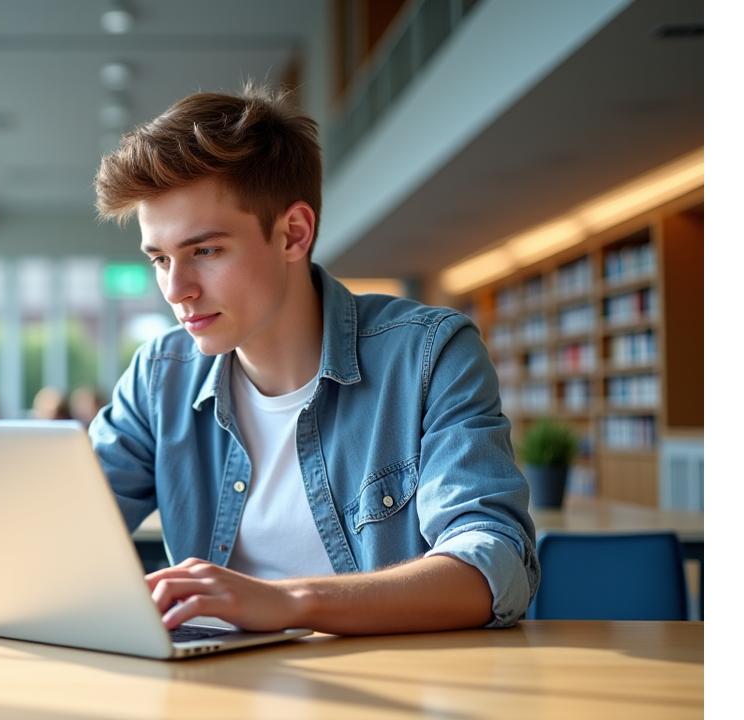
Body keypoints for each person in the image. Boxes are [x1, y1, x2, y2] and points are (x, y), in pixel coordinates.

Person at [83, 85, 538, 634]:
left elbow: (491, 568)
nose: (176, 289)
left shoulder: (428, 354)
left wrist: (290, 601)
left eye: (204, 251)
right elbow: (62, 530)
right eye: (160, 258)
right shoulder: (160, 377)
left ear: (293, 234)